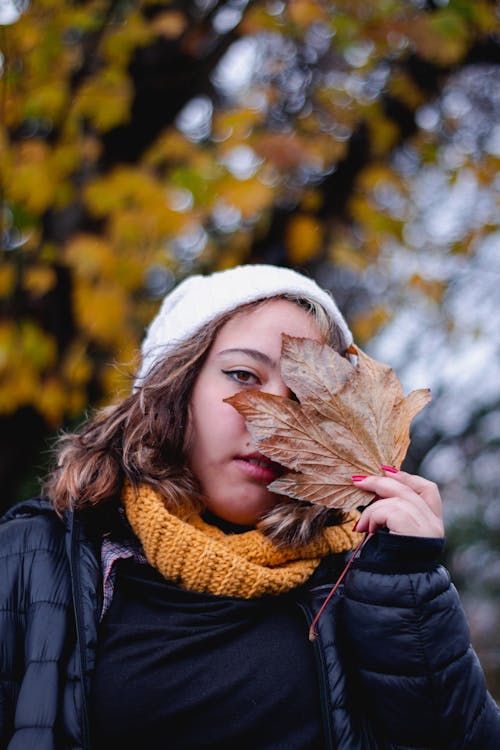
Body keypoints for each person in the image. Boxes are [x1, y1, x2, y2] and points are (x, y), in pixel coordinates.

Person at [0, 263, 499, 750]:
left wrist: (409, 589)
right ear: (174, 388)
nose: (271, 426)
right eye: (242, 374)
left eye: (304, 400)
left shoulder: (366, 576)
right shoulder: (34, 560)